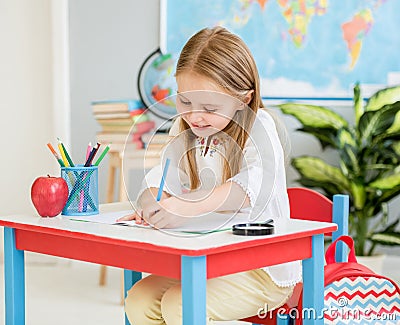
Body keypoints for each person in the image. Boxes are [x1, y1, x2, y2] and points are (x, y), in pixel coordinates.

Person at [119, 26, 301, 324]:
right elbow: (163, 175)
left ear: (243, 99)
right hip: (210, 258)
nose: (193, 116)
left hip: (263, 269)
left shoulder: (259, 127)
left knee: (181, 306)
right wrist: (153, 200)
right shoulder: (186, 129)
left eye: (209, 107)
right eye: (184, 102)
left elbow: (247, 189)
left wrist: (189, 206)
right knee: (138, 301)